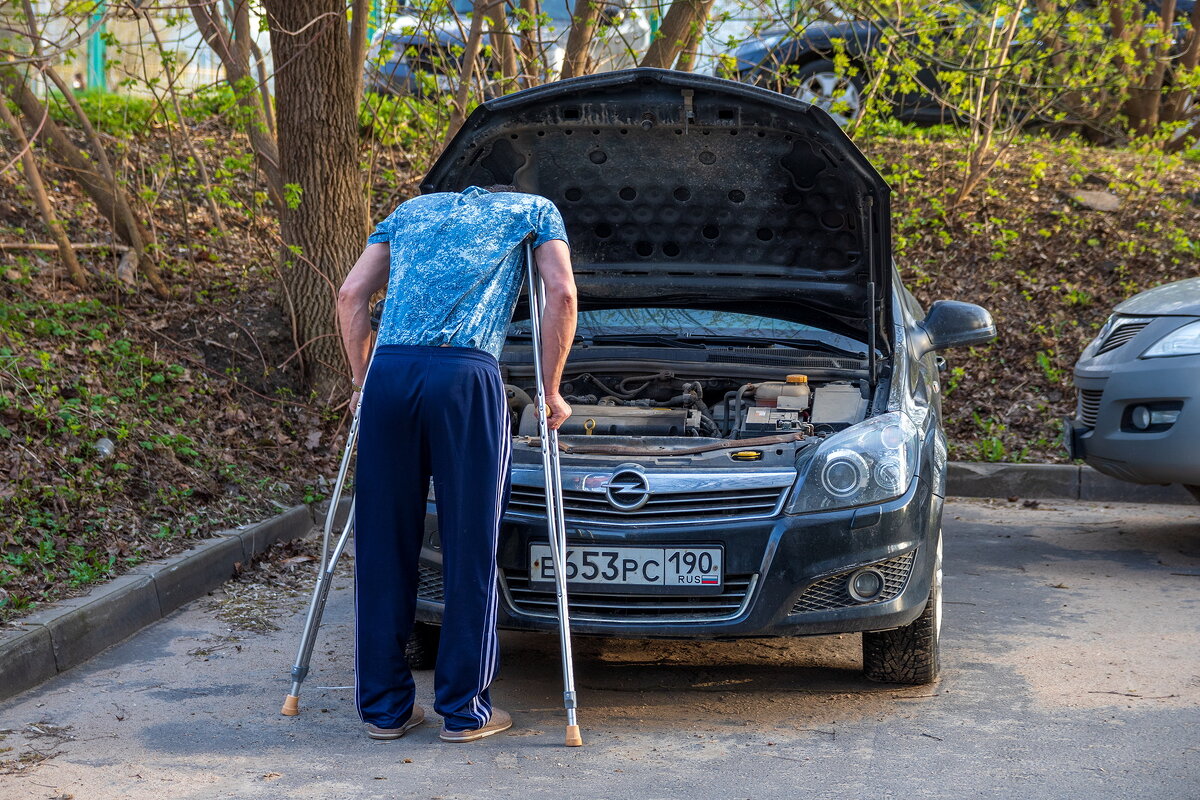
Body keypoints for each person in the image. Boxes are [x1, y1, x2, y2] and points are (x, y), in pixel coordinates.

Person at [336, 185, 576, 743]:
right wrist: (552, 391)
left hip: (389, 375)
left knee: (382, 543)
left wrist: (359, 381)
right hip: (465, 376)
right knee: (469, 540)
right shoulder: (534, 210)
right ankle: (466, 712)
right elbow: (561, 295)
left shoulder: (409, 212)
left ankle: (384, 711)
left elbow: (350, 295)